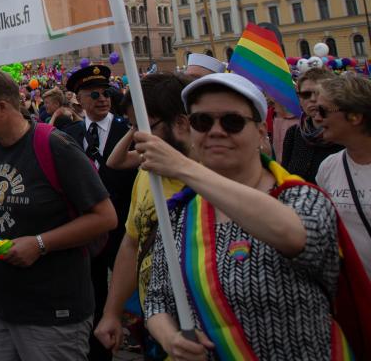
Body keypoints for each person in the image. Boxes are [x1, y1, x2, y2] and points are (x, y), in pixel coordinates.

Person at [139, 72, 344, 359]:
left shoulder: (300, 197)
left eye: (232, 122)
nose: (216, 131)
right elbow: (157, 300)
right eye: (202, 121)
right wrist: (171, 338)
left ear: (261, 131)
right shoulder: (181, 213)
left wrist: (184, 168)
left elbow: (294, 236)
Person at [0, 68, 116, 361]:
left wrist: (40, 243)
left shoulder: (55, 145)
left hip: (50, 310)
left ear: (2, 106)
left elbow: (105, 217)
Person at [93, 74, 190, 358]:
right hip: (157, 324)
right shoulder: (148, 172)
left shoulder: (217, 175)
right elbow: (132, 243)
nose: (138, 135)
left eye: (145, 125)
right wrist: (111, 312)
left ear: (181, 123)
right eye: (133, 126)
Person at [60, 65, 135, 361]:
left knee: (127, 288)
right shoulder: (68, 134)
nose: (102, 98)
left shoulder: (125, 130)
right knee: (91, 290)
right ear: (79, 98)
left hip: (124, 227)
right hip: (87, 229)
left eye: (106, 92)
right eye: (94, 93)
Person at [316, 71, 371, 280]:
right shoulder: (329, 167)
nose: (317, 117)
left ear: (355, 116)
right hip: (356, 295)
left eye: (323, 110)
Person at [281, 67, 340, 181]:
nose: (313, 99)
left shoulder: (345, 132)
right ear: (299, 98)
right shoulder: (293, 133)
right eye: (306, 94)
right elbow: (285, 178)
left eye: (319, 93)